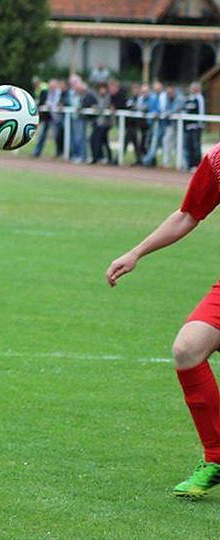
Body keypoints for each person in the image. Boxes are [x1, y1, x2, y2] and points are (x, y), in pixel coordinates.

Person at [107, 142, 220, 499]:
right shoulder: (218, 160)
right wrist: (136, 252)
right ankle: (216, 457)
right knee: (188, 348)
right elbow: (188, 214)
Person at [184, 82, 206, 171]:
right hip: (188, 126)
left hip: (196, 126)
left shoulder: (199, 99)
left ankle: (197, 165)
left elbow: (201, 111)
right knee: (188, 145)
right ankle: (190, 164)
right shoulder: (188, 99)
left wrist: (200, 123)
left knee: (196, 146)